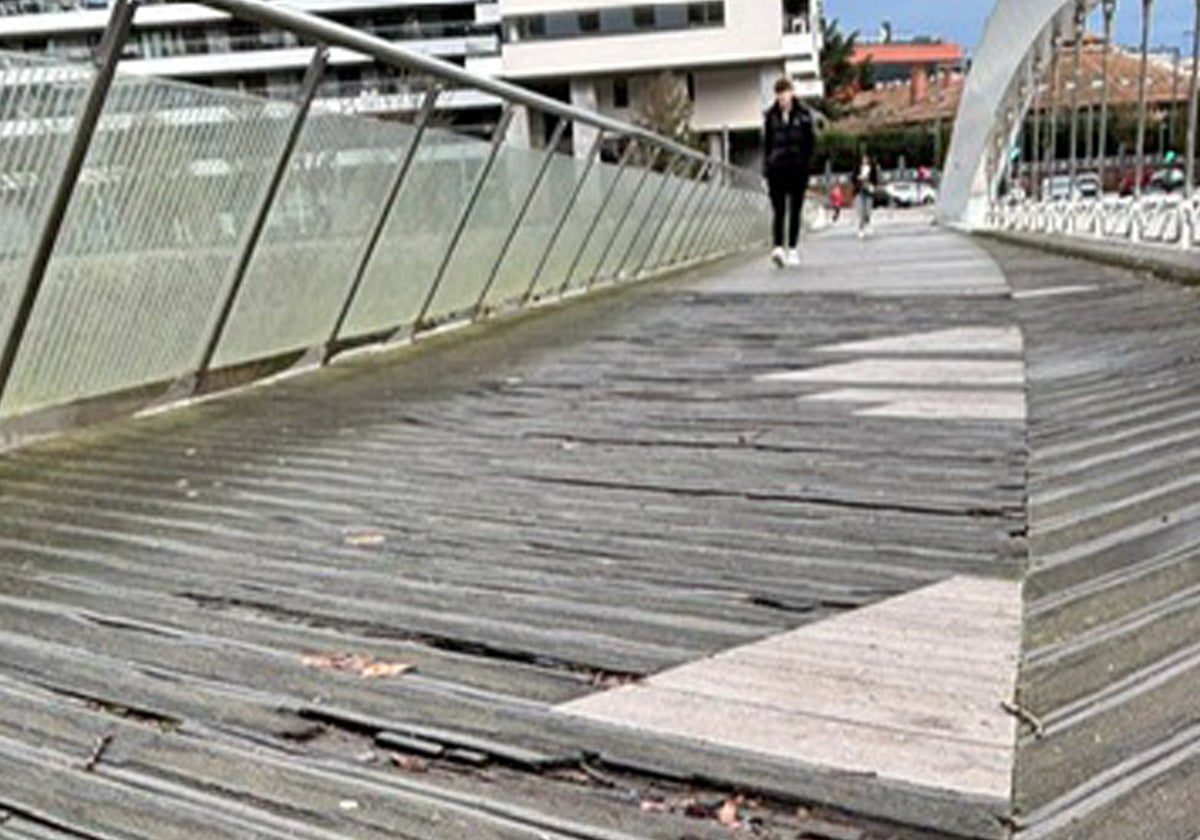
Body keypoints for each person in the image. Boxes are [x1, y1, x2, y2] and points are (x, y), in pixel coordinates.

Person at [762, 77, 815, 268]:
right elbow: (767, 145)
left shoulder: (804, 115)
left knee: (795, 209)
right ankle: (777, 247)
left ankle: (792, 248)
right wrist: (767, 167)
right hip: (777, 168)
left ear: (791, 93)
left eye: (785, 95)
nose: (783, 99)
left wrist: (806, 164)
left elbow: (810, 143)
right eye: (779, 96)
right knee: (779, 210)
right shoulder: (770, 116)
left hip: (797, 168)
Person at [851, 153, 880, 239]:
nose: (865, 160)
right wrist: (858, 178)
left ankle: (868, 223)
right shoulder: (857, 168)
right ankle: (861, 229)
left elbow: (875, 180)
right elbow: (852, 178)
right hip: (859, 191)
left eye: (866, 159)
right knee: (861, 212)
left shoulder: (872, 169)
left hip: (869, 192)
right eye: (863, 159)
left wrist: (872, 185)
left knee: (868, 211)